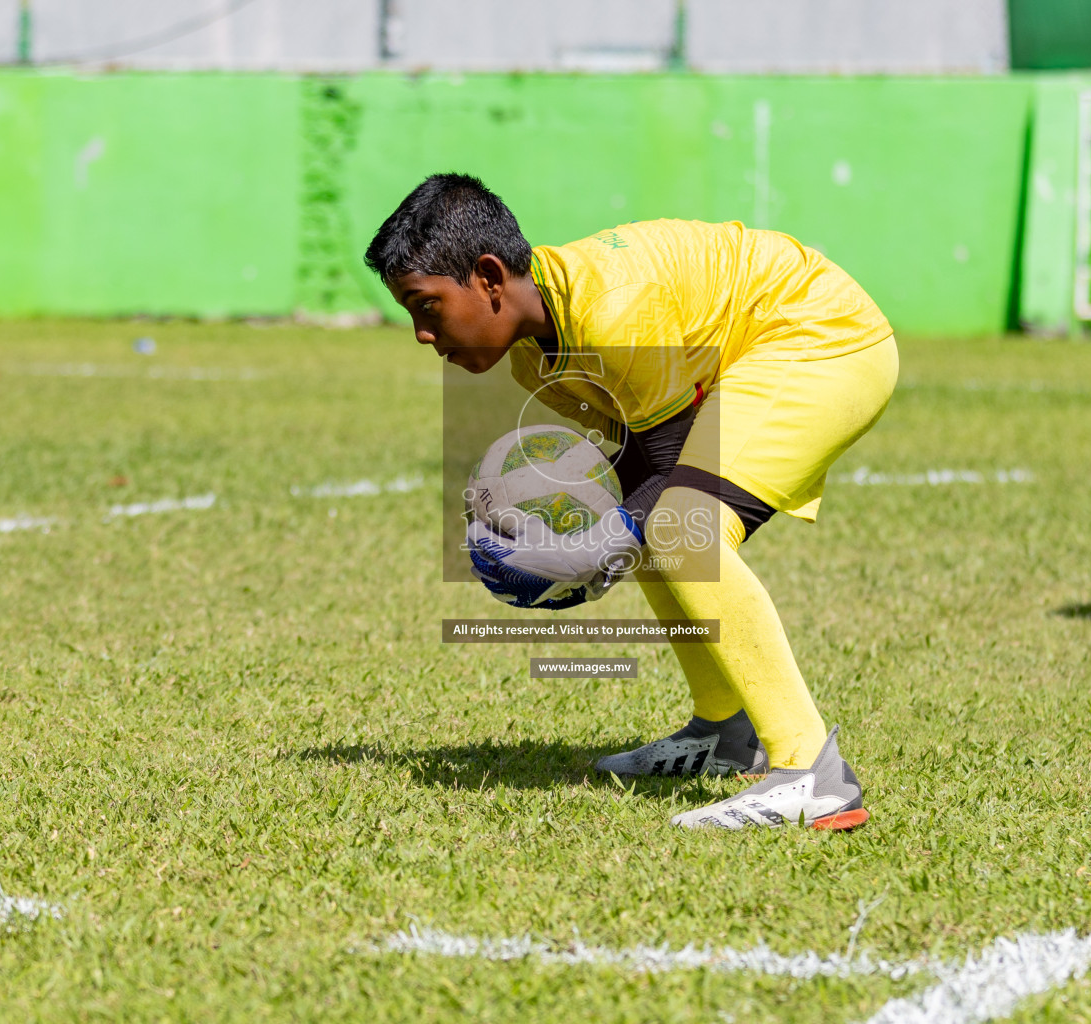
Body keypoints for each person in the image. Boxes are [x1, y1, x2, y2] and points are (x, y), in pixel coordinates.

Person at [364, 173, 897, 831]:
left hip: (821, 337)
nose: (420, 332)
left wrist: (580, 548)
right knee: (654, 530)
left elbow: (666, 483)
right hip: (764, 348)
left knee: (677, 527)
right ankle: (725, 733)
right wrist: (578, 538)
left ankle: (812, 774)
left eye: (426, 306)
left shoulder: (613, 311)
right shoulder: (537, 362)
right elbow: (641, 469)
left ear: (490, 278)